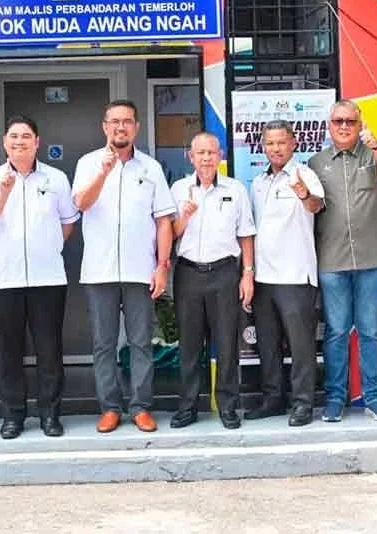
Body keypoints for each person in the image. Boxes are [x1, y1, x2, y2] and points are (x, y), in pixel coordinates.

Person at [72, 100, 175, 433]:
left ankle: (141, 406)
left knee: (141, 342)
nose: (121, 127)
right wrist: (103, 172)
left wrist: (162, 265)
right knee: (103, 344)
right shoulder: (89, 163)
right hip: (99, 271)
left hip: (139, 269)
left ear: (136, 127)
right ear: (104, 126)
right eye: (114, 122)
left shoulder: (151, 168)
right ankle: (110, 407)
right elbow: (81, 204)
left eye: (127, 122)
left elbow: (163, 221)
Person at [0, 115, 80, 439]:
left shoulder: (57, 179)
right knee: (9, 350)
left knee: (49, 349)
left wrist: (46, 248)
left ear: (37, 142)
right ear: (5, 143)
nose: (19, 141)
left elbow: (67, 224)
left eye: (26, 136)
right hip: (4, 280)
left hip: (47, 278)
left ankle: (50, 414)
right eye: (14, 136)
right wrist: (5, 192)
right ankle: (13, 415)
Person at [308, 99, 377, 423]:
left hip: (370, 259)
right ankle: (335, 398)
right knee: (335, 332)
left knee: (370, 331)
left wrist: (376, 145)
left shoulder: (371, 155)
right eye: (338, 121)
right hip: (332, 261)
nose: (344, 126)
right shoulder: (315, 163)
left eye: (350, 121)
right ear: (329, 126)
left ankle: (374, 397)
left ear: (360, 125)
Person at [169, 132, 256, 430]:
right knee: (190, 345)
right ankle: (188, 406)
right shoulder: (179, 189)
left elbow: (245, 234)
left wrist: (247, 273)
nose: (206, 158)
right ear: (190, 157)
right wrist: (185, 216)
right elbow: (170, 235)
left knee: (227, 343)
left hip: (224, 273)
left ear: (220, 156)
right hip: (189, 273)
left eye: (211, 152)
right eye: (200, 153)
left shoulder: (236, 189)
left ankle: (229, 407)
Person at [245, 120, 324, 427]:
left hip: (295, 275)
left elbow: (316, 206)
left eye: (281, 142)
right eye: (270, 143)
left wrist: (304, 194)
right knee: (267, 342)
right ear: (263, 147)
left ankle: (303, 402)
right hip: (263, 276)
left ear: (294, 143)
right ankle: (273, 399)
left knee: (300, 343)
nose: (276, 148)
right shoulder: (258, 182)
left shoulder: (304, 174)